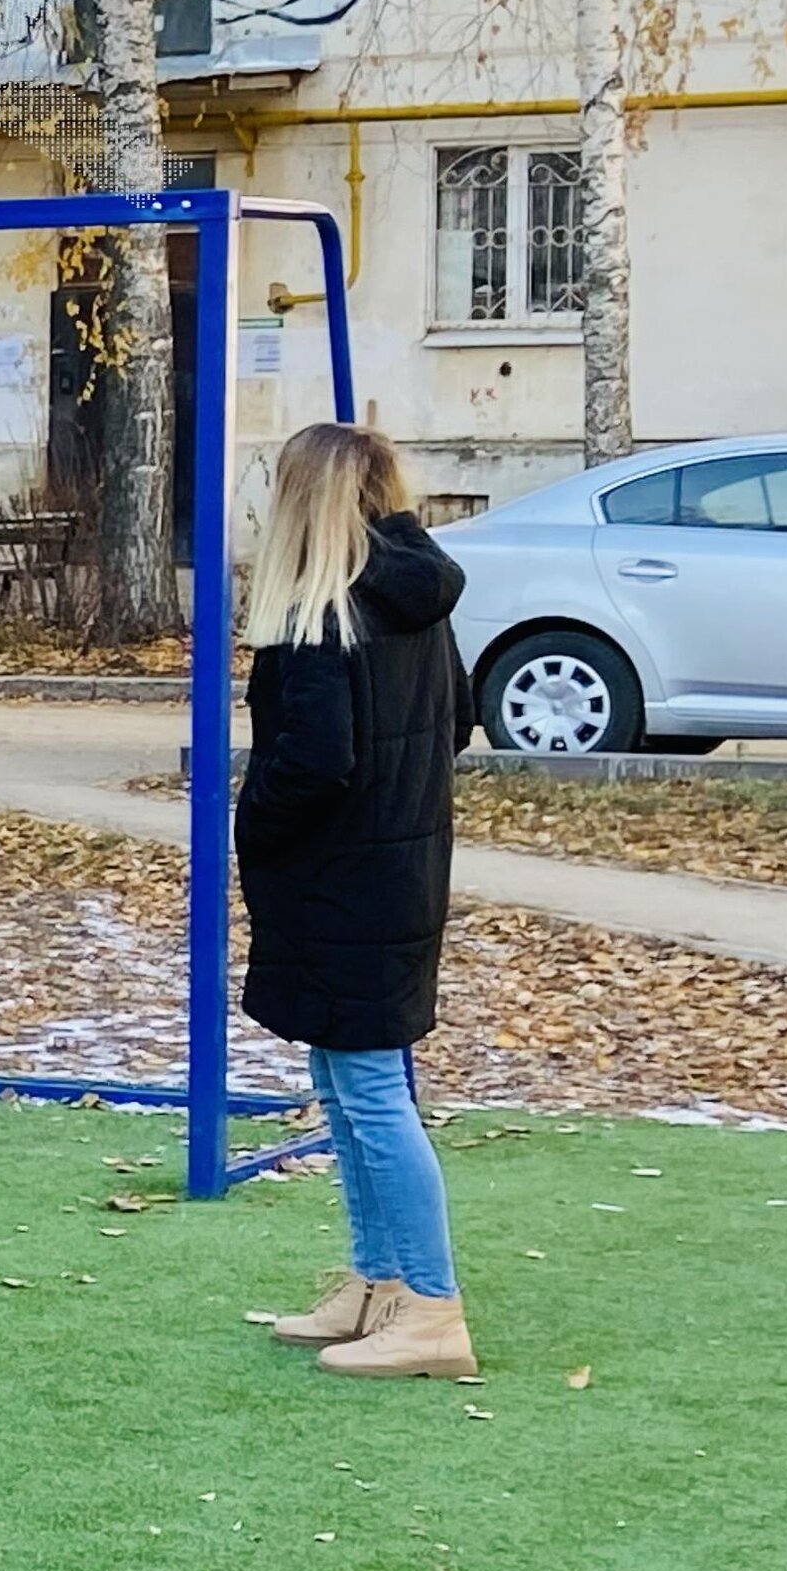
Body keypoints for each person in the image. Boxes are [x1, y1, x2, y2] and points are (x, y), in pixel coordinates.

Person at [237, 422, 480, 1381]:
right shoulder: (414, 603)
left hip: (342, 881)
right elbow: (456, 721)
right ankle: (380, 1281)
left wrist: (251, 819)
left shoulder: (320, 616)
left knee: (370, 1092)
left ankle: (430, 1304)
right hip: (396, 873)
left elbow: (311, 763)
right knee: (345, 1083)